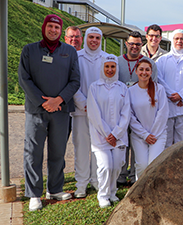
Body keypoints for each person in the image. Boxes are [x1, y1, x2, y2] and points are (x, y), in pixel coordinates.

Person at [18, 14, 80, 211]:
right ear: (44, 27)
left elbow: (75, 81)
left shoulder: (69, 52)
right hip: (36, 110)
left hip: (61, 110)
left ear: (61, 31)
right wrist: (43, 102)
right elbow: (24, 79)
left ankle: (54, 189)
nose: (53, 30)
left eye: (57, 27)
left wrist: (59, 100)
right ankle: (34, 194)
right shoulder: (29, 50)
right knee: (33, 152)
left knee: (58, 151)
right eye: (50, 26)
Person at [87, 54, 131, 208]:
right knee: (106, 165)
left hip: (119, 136)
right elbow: (94, 114)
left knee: (118, 164)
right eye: (107, 66)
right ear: (102, 68)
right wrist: (108, 134)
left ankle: (112, 191)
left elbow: (126, 113)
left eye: (113, 66)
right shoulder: (94, 87)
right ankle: (103, 195)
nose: (110, 69)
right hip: (101, 136)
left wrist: (116, 133)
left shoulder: (122, 87)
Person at [72, 27, 108, 198]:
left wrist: (97, 106)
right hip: (81, 111)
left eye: (97, 38)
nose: (94, 41)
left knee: (98, 147)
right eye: (91, 37)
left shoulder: (107, 58)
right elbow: (72, 82)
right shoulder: (76, 57)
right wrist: (84, 103)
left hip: (101, 113)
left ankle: (96, 180)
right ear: (85, 38)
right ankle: (81, 183)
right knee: (81, 147)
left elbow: (109, 84)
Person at [117, 31, 156, 186]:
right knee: (122, 143)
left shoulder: (149, 63)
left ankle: (135, 176)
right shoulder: (118, 61)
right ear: (126, 44)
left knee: (137, 143)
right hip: (121, 110)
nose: (134, 47)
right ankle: (120, 175)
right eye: (131, 43)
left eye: (138, 44)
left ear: (142, 45)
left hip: (140, 111)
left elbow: (154, 85)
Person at [128, 59, 168, 180]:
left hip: (158, 134)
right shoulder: (130, 91)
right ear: (136, 71)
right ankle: (139, 191)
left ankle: (153, 191)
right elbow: (130, 116)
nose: (144, 72)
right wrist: (145, 135)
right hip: (139, 135)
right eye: (141, 69)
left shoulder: (159, 89)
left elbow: (163, 112)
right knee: (141, 165)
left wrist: (153, 134)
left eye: (147, 69)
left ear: (151, 72)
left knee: (153, 164)